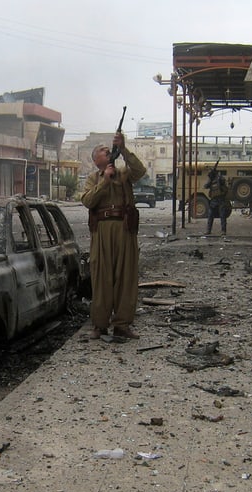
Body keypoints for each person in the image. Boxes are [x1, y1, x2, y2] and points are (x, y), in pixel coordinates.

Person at [81, 132, 147, 340]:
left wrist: (124, 149)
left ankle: (122, 324)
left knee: (126, 277)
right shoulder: (93, 179)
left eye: (108, 149)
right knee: (101, 277)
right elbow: (88, 201)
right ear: (95, 160)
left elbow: (140, 170)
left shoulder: (124, 174)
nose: (106, 150)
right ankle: (100, 325)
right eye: (102, 150)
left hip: (124, 228)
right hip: (101, 230)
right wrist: (105, 181)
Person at [205, 169, 229, 236]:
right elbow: (206, 186)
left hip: (221, 199)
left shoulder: (220, 178)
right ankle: (208, 230)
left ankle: (223, 231)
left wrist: (218, 178)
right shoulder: (211, 180)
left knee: (222, 215)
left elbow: (223, 182)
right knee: (210, 215)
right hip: (213, 200)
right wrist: (210, 180)